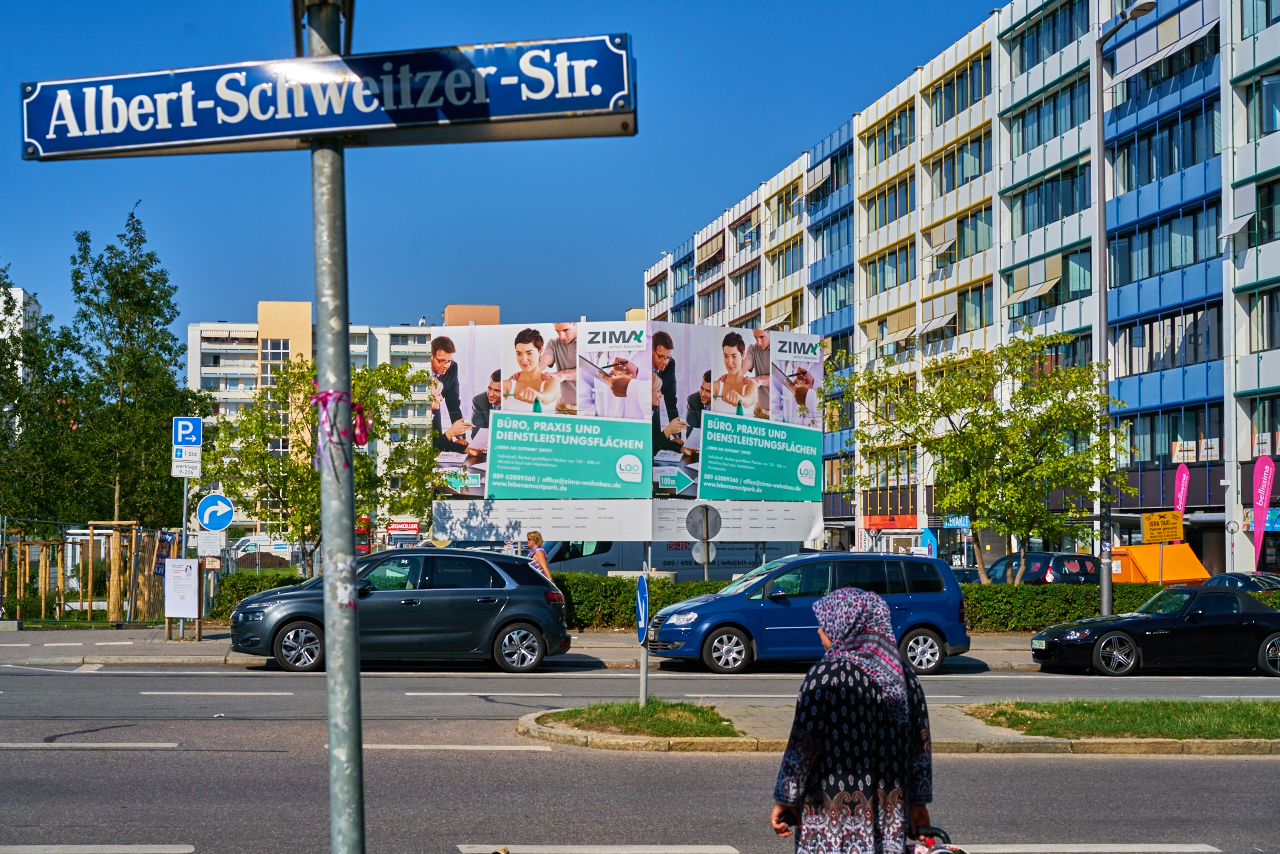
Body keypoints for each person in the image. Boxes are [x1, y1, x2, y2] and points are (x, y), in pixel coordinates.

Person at [771, 587, 932, 853]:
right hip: (888, 820)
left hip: (831, 824)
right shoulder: (903, 676)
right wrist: (919, 802)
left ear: (845, 627)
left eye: (825, 625)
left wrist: (785, 798)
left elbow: (802, 747)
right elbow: (920, 748)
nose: (820, 631)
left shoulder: (826, 675)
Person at [503, 328, 561, 411]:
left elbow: (550, 395)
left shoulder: (550, 381)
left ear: (541, 351)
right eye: (519, 354)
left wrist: (537, 395)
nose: (523, 359)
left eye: (529, 353)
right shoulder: (508, 384)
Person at [711, 331, 759, 414]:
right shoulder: (717, 386)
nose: (729, 362)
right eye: (726, 356)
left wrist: (741, 399)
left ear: (743, 355)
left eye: (734, 356)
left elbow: (750, 399)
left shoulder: (750, 386)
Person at [541, 323, 578, 414]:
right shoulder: (553, 343)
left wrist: (562, 375)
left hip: (585, 409)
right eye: (557, 331)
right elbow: (542, 362)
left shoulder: (590, 342)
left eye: (565, 330)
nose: (562, 336)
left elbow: (590, 372)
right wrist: (525, 372)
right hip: (562, 406)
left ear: (576, 324)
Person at [651, 376, 686, 452]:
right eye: (658, 391)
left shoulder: (653, 411)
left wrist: (681, 448)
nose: (661, 395)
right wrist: (668, 431)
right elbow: (648, 449)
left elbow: (657, 441)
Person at [651, 329, 679, 421]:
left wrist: (676, 433)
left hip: (654, 409)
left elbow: (671, 400)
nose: (664, 362)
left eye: (667, 357)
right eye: (661, 357)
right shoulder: (642, 363)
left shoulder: (670, 364)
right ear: (652, 351)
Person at [470, 370, 502, 435]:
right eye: (489, 388)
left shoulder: (515, 403)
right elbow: (477, 435)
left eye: (497, 391)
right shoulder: (479, 401)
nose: (491, 394)